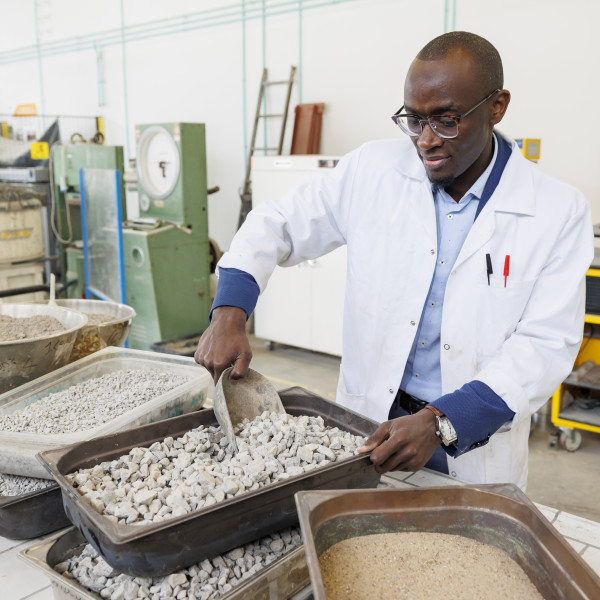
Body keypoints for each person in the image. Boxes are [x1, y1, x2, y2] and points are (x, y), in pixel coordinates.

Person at [195, 31, 593, 489]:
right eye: (414, 119)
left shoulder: (556, 210)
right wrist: (228, 311)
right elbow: (276, 224)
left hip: (473, 442)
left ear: (497, 106)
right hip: (366, 423)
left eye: (446, 120)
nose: (425, 141)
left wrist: (443, 421)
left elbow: (545, 344)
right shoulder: (372, 171)